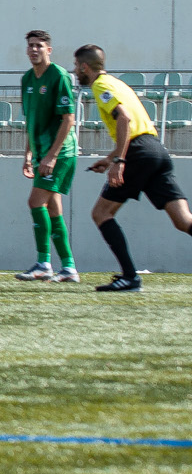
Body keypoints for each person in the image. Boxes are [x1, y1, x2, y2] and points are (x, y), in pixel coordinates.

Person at [74, 43, 192, 292]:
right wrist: (110, 158)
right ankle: (129, 277)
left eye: (76, 66)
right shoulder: (118, 83)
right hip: (155, 150)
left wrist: (119, 161)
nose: (75, 71)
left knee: (101, 214)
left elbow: (125, 119)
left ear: (85, 66)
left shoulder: (100, 85)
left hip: (138, 153)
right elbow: (134, 126)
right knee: (183, 221)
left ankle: (130, 277)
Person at [16, 30, 80, 283]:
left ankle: (43, 263)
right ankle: (69, 267)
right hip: (42, 153)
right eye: (30, 45)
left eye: (39, 46)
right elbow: (30, 120)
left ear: (49, 50)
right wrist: (28, 154)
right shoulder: (27, 79)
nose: (34, 50)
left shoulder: (59, 76)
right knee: (53, 208)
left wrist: (52, 156)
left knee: (35, 202)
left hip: (60, 153)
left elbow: (69, 119)